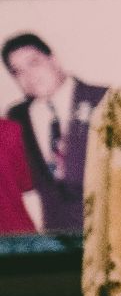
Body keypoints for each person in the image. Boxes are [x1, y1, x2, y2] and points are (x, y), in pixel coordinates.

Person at [2, 32, 107, 233]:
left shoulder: (104, 100)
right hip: (59, 241)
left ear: (54, 60)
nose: (28, 76)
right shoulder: (17, 117)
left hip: (112, 233)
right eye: (18, 72)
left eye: (33, 63)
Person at [0, 116, 36, 234]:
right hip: (19, 234)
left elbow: (29, 187)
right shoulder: (12, 130)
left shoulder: (12, 130)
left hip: (17, 236)